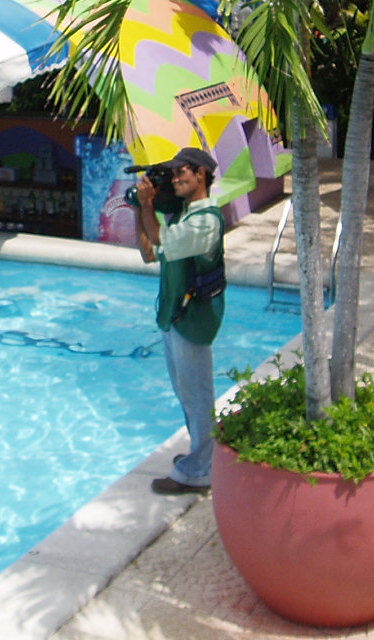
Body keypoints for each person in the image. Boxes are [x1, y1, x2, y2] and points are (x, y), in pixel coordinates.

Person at [133, 146, 226, 495]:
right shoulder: (182, 216)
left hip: (192, 320)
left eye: (180, 172)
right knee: (187, 394)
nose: (174, 179)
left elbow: (159, 239)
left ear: (200, 174)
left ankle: (200, 471)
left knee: (198, 397)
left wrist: (147, 206)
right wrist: (140, 207)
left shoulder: (206, 220)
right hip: (176, 316)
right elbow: (149, 251)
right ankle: (201, 457)